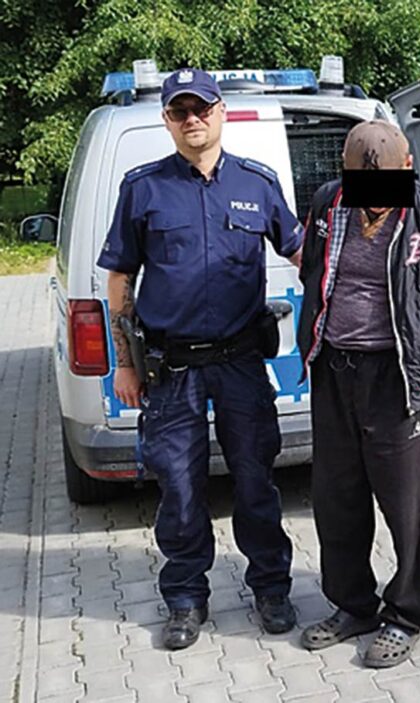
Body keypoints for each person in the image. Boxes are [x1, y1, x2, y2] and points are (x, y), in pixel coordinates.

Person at [97, 67, 303, 650]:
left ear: (221, 113)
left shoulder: (257, 183)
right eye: (180, 111)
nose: (192, 119)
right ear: (167, 120)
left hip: (242, 362)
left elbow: (305, 254)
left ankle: (271, 588)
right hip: (173, 368)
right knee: (180, 488)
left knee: (256, 481)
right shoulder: (143, 188)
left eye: (201, 108)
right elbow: (119, 280)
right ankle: (186, 598)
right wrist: (125, 363)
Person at [297, 120, 420, 667]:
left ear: (407, 168)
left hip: (398, 378)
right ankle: (353, 605)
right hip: (335, 372)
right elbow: (311, 272)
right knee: (337, 499)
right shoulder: (328, 205)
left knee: (407, 506)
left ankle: (406, 613)